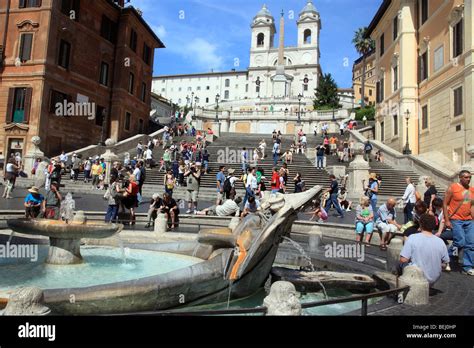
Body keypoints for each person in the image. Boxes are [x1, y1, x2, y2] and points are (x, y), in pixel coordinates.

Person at [399, 214, 450, 286]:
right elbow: (445, 264)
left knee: (399, 263)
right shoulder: (440, 241)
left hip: (416, 276)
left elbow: (403, 259)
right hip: (433, 278)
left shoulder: (412, 237)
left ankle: (401, 289)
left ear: (421, 225)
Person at [443, 170, 474, 275]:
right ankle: (447, 256)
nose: (468, 179)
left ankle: (467, 266)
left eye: (469, 177)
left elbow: (472, 205)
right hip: (456, 219)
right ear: (460, 178)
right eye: (466, 177)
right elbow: (445, 203)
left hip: (469, 220)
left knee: (470, 243)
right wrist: (447, 220)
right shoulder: (453, 188)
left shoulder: (472, 189)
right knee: (459, 242)